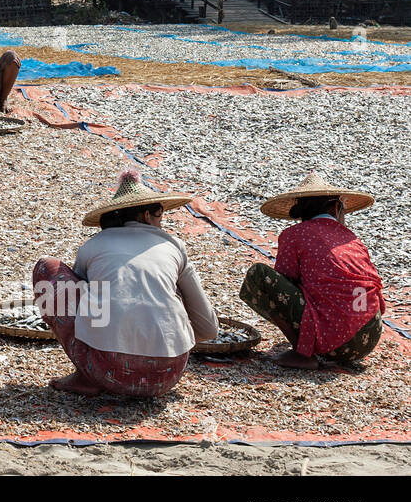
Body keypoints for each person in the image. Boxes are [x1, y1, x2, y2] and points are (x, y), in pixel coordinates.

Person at [32, 170, 217, 398]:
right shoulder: (174, 246)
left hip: (107, 371)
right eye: (160, 215)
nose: (161, 223)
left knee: (46, 267)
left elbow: (78, 311)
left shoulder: (94, 245)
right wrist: (166, 340)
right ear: (147, 215)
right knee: (167, 285)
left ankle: (84, 376)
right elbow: (209, 328)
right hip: (168, 376)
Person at [239, 172, 385, 370]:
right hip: (370, 334)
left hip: (337, 343)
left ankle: (302, 354)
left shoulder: (293, 235)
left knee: (259, 275)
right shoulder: (352, 239)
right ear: (335, 207)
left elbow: (285, 280)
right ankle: (317, 341)